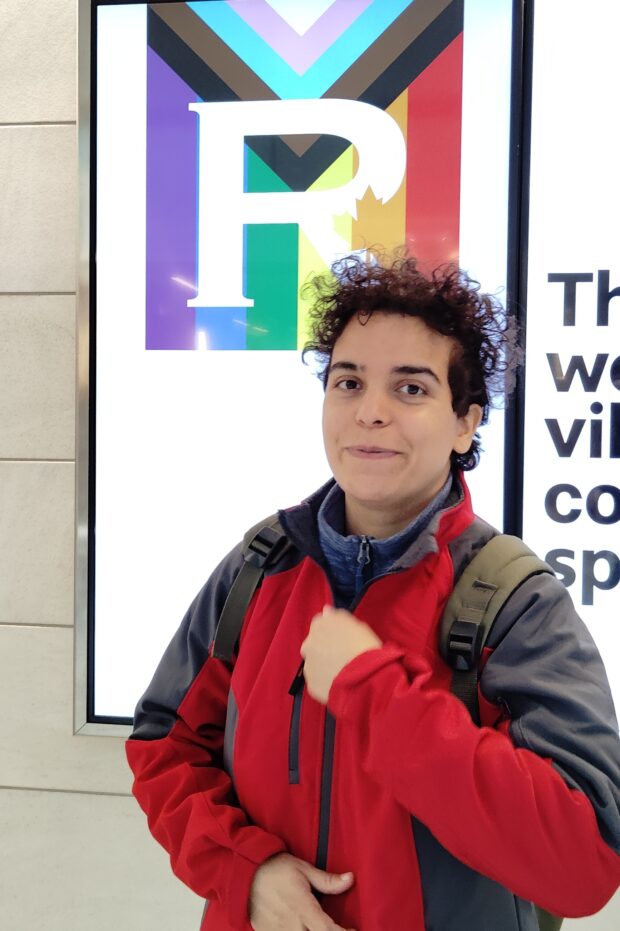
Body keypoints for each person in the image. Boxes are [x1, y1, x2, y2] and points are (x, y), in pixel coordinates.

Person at [126, 254, 620, 931]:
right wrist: (245, 869)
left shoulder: (515, 603)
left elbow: (583, 858)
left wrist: (373, 690)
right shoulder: (258, 566)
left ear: (465, 423)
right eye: (348, 382)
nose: (370, 413)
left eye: (411, 389)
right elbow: (165, 743)